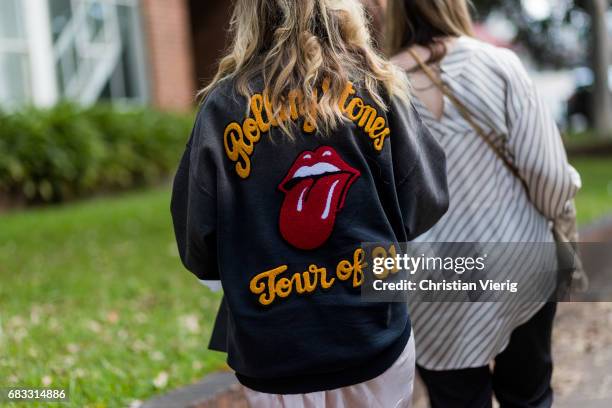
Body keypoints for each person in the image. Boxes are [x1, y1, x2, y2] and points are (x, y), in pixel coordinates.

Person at [170, 0, 450, 406]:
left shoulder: (223, 107)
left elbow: (197, 239)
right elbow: (425, 199)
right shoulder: (377, 86)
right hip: (372, 334)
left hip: (272, 347)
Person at [386, 1, 581, 407]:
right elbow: (550, 176)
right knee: (529, 395)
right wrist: (562, 222)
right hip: (520, 262)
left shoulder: (374, 90)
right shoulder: (497, 65)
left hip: (434, 284)